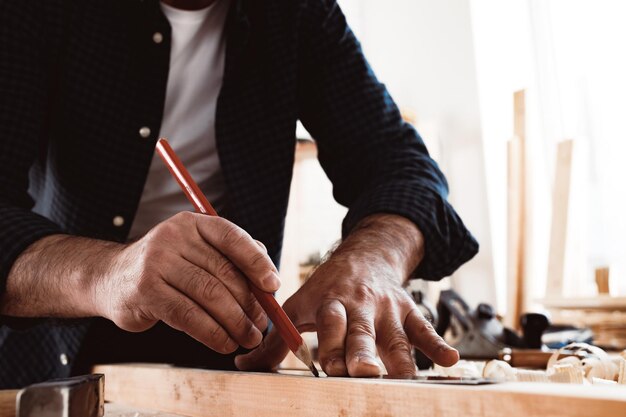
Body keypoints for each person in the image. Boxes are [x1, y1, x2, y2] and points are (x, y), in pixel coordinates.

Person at [0, 0, 478, 389]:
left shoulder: (298, 13)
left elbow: (403, 169)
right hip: (54, 358)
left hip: (234, 357)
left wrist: (372, 261)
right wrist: (110, 273)